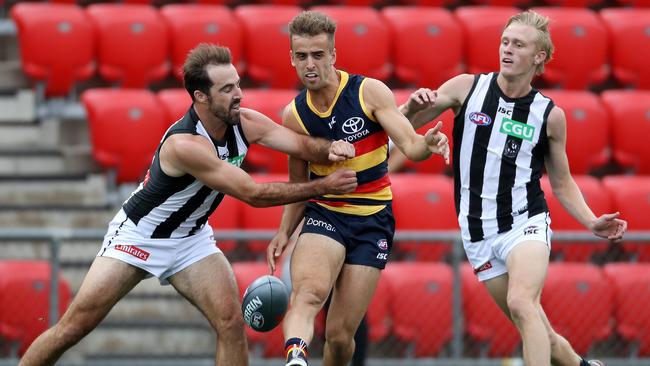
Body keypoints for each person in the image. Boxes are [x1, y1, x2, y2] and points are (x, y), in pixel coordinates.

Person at [18, 43, 360, 366]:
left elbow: (299, 144)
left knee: (230, 322)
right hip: (138, 238)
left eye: (237, 84)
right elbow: (252, 194)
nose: (238, 94)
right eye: (226, 90)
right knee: (75, 327)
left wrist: (330, 148)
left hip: (191, 239)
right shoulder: (186, 144)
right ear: (200, 96)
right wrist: (324, 186)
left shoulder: (245, 121)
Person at [399, 10, 627, 366]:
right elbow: (399, 125)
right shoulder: (466, 88)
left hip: (525, 222)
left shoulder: (549, 115)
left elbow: (562, 181)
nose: (507, 49)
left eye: (518, 44)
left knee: (522, 303)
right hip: (478, 231)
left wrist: (591, 221)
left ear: (539, 57)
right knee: (539, 330)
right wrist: (411, 107)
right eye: (505, 41)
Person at [265, 11, 450, 366]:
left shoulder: (369, 92)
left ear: (333, 55)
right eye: (301, 56)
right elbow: (299, 185)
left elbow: (410, 146)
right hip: (326, 215)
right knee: (307, 294)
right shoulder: (295, 116)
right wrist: (283, 232)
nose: (310, 64)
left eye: (318, 55)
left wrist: (429, 143)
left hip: (372, 221)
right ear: (291, 58)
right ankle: (295, 360)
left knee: (339, 336)